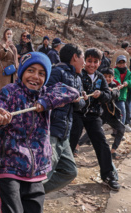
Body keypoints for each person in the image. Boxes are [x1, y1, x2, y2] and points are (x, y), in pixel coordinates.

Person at [0, 52, 79, 213]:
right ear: (22, 72)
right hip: (9, 167)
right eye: (31, 70)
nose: (35, 76)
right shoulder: (10, 91)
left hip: (36, 171)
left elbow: (71, 92)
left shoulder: (47, 94)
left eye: (42, 73)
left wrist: (45, 102)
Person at [69, 48, 120, 191]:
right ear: (84, 61)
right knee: (71, 140)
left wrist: (101, 95)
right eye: (89, 61)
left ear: (100, 62)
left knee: (102, 143)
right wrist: (81, 94)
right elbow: (72, 90)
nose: (92, 64)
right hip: (78, 113)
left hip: (94, 115)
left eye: (95, 62)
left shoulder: (100, 77)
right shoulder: (78, 74)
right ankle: (63, 170)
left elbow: (108, 95)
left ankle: (108, 175)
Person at [43, 43, 86, 193]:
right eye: (83, 58)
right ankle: (28, 203)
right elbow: (45, 95)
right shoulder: (57, 72)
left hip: (65, 132)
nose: (85, 63)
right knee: (45, 173)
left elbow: (79, 104)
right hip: (52, 130)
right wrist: (66, 97)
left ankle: (33, 195)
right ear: (75, 57)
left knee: (70, 172)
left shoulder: (78, 78)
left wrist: (79, 100)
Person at [99, 68, 125, 159]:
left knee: (121, 128)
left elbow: (116, 94)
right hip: (99, 114)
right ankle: (77, 147)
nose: (107, 79)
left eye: (110, 77)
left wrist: (111, 92)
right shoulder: (98, 85)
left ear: (113, 77)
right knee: (94, 130)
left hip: (111, 113)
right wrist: (104, 92)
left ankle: (113, 150)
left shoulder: (114, 85)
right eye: (105, 76)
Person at [114, 55, 131, 133]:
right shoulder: (114, 70)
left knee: (122, 112)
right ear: (117, 63)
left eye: (123, 63)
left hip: (122, 96)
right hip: (113, 95)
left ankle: (120, 131)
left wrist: (127, 83)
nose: (121, 64)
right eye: (120, 63)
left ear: (126, 63)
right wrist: (119, 83)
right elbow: (115, 78)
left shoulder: (129, 72)